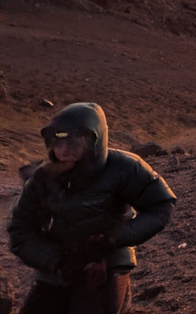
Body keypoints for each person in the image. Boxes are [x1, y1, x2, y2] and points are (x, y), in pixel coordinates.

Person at [7, 102, 177, 314]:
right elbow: (20, 228)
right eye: (57, 144)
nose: (62, 151)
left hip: (109, 263)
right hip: (60, 267)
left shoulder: (124, 167)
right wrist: (59, 261)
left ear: (92, 141)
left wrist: (111, 240)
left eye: (72, 144)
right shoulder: (44, 177)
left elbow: (161, 205)